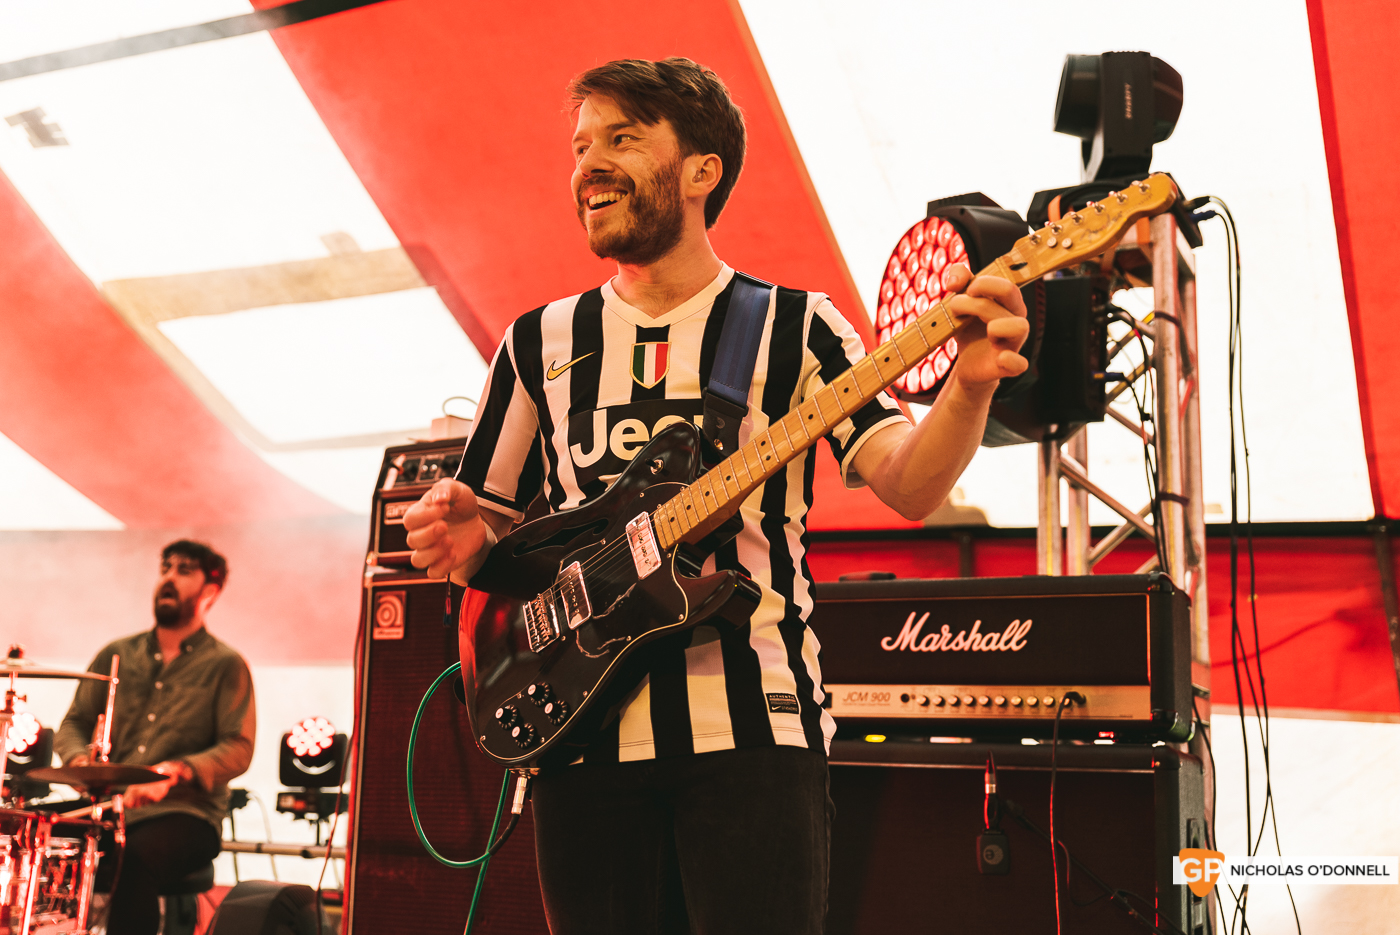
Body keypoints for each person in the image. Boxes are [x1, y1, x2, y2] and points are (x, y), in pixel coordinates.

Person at [403, 57, 1028, 934]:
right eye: (581, 146)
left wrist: (967, 388)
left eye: (622, 138)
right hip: (581, 742)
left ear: (704, 169)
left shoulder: (795, 326)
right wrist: (459, 535)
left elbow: (908, 482)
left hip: (755, 732)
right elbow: (490, 531)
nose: (588, 164)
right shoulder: (538, 340)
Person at [55, 540, 255, 935]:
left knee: (137, 856)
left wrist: (176, 771)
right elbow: (74, 724)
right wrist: (80, 763)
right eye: (166, 567)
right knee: (34, 831)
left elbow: (239, 747)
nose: (169, 578)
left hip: (186, 815)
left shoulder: (225, 665)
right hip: (108, 807)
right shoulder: (115, 654)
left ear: (210, 591)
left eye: (184, 570)